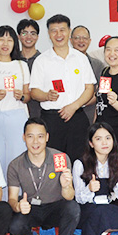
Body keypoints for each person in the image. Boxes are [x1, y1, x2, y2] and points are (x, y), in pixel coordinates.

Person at [6, 118, 79, 235]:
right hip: (31, 208)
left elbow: (69, 196)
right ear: (24, 137)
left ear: (47, 137)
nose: (35, 142)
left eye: (40, 136)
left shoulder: (61, 158)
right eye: (30, 136)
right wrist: (18, 206)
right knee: (13, 225)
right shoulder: (15, 165)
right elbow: (12, 198)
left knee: (73, 208)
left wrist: (66, 186)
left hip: (55, 207)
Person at [29, 14, 96, 162]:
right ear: (49, 34)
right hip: (52, 119)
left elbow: (89, 88)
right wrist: (46, 96)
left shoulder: (81, 58)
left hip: (77, 117)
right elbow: (34, 92)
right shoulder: (41, 61)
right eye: (54, 30)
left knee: (81, 161)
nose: (58, 34)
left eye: (62, 30)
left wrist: (74, 106)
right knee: (55, 161)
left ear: (69, 32)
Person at [71, 122, 118, 235]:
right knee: (98, 212)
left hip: (107, 208)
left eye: (108, 138)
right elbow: (79, 198)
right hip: (87, 208)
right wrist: (89, 189)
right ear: (91, 143)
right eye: (98, 139)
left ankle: (101, 234)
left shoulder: (117, 162)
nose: (104, 143)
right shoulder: (80, 163)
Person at [0, 25, 30, 180]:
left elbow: (28, 96)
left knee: (18, 158)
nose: (5, 44)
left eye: (10, 40)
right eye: (1, 39)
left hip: (17, 116)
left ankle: (17, 192)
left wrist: (22, 96)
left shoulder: (22, 65)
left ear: (15, 43)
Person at [70, 25, 105, 122]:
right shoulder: (62, 63)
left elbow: (101, 92)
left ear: (89, 41)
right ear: (71, 40)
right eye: (77, 38)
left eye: (85, 38)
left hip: (90, 113)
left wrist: (79, 104)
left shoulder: (98, 64)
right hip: (66, 113)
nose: (81, 41)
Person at [17, 19, 43, 119]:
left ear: (37, 37)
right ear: (18, 36)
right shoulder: (13, 60)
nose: (29, 37)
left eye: (33, 33)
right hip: (17, 111)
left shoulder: (43, 60)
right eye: (24, 33)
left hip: (40, 112)